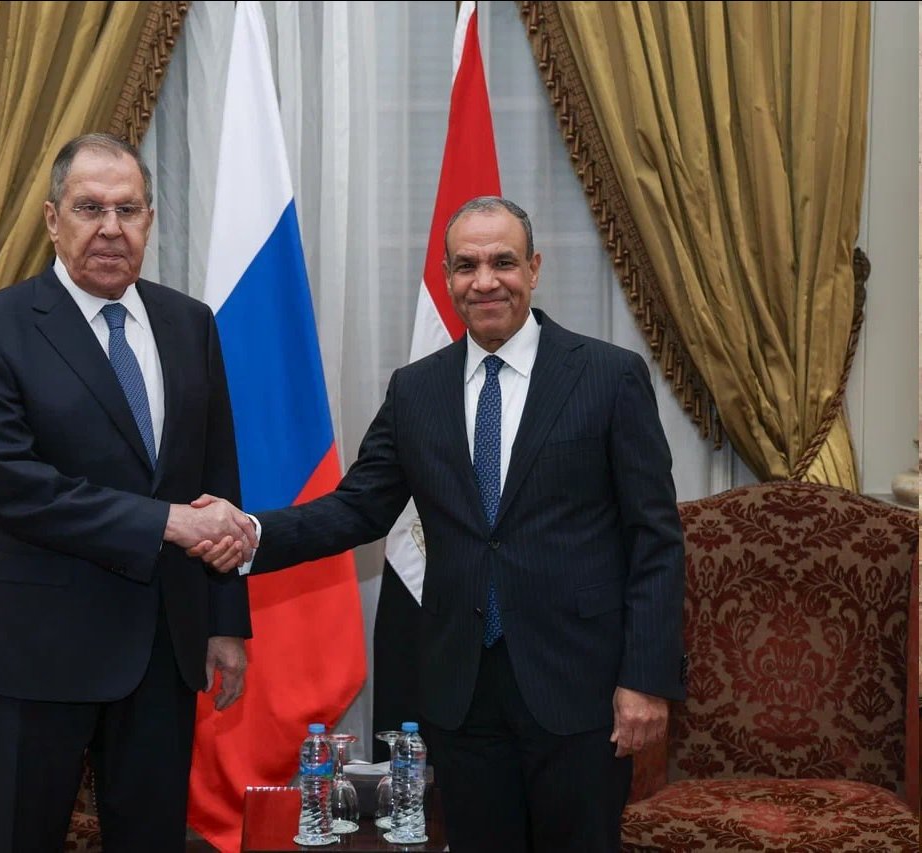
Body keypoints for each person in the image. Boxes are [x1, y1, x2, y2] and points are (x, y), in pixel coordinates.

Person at [195, 196, 686, 852]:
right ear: (448, 278)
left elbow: (655, 539)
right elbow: (358, 507)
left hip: (580, 687)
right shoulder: (415, 390)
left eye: (503, 262)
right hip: (462, 691)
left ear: (534, 269)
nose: (485, 281)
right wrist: (252, 534)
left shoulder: (608, 376)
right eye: (466, 266)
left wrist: (646, 679)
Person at [0, 132, 258, 853]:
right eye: (90, 208)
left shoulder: (190, 323)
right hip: (31, 651)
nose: (111, 227)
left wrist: (224, 618)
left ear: (150, 219)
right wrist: (165, 522)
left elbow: (217, 475)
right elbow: (16, 487)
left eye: (128, 209)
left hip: (162, 645)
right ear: (53, 219)